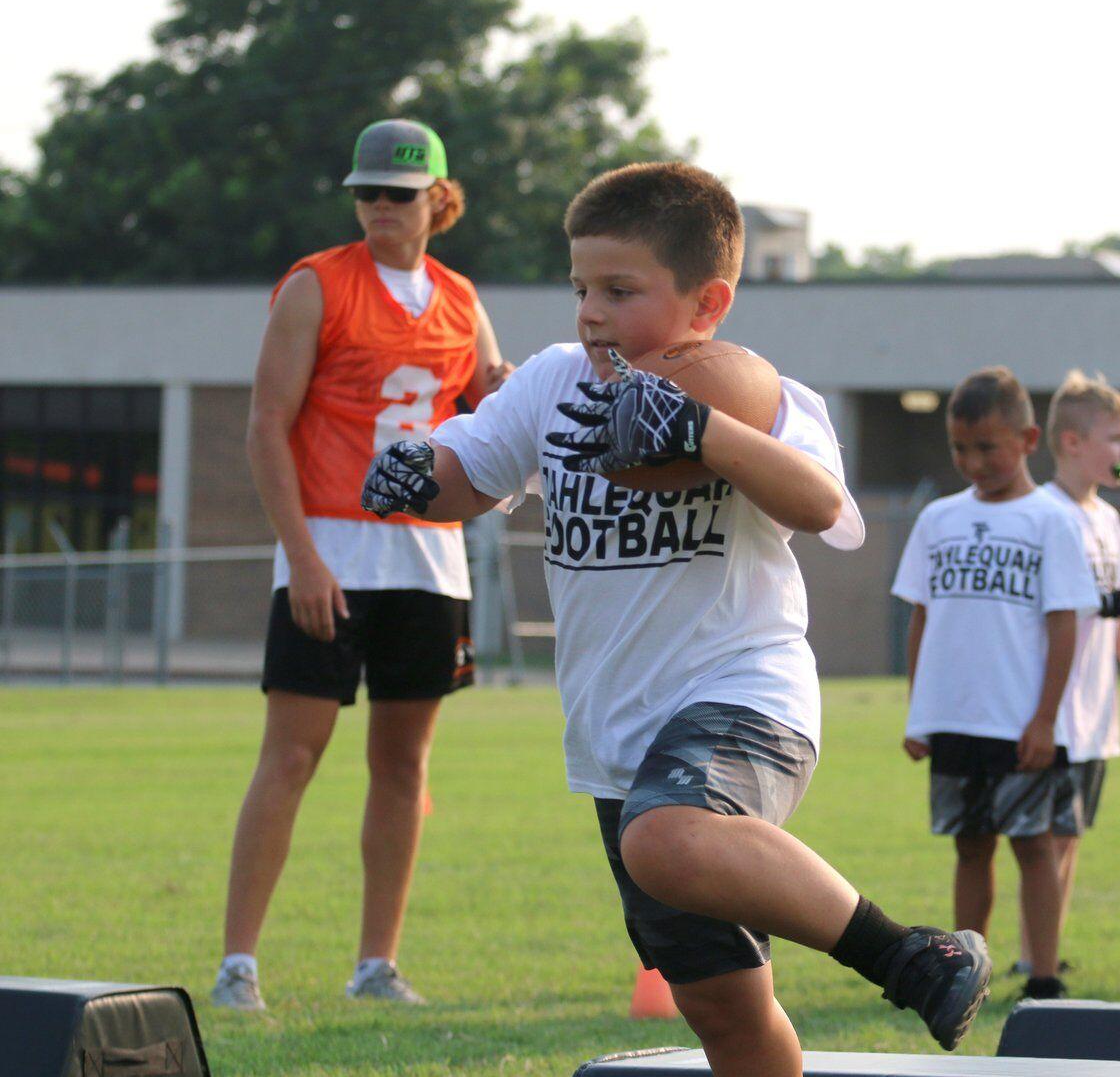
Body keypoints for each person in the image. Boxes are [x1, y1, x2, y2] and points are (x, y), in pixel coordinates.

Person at [362, 162, 992, 1077]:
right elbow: (470, 470)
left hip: (742, 696)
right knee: (726, 1013)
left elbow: (821, 503)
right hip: (618, 739)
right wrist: (419, 473)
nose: (591, 312)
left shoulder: (756, 391)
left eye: (621, 291)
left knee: (662, 837)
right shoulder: (550, 383)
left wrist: (704, 431)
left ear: (709, 302)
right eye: (580, 288)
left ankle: (909, 954)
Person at [212, 119, 512, 1011]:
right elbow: (266, 426)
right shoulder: (317, 283)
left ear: (438, 200)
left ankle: (376, 963)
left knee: (405, 765)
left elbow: (493, 416)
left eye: (398, 193)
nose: (379, 205)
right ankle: (238, 964)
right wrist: (301, 556)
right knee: (290, 756)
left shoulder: (460, 298)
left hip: (430, 559)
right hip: (332, 549)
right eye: (367, 192)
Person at [891, 367, 1100, 1002]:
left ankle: (1043, 976)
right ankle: (967, 974)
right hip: (956, 718)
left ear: (1028, 440)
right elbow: (921, 617)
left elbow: (1064, 625)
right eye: (960, 448)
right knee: (970, 846)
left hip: (1020, 723)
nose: (973, 462)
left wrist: (1045, 719)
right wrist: (919, 713)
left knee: (1034, 847)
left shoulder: (1052, 521)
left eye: (988, 447)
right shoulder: (938, 519)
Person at [1006, 370, 1120, 978]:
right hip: (1054, 708)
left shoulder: (1106, 518)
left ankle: (1043, 950)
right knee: (1045, 838)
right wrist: (1104, 604)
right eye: (1116, 439)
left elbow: (1118, 614)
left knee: (1069, 836)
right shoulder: (1043, 514)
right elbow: (1053, 609)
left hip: (1095, 710)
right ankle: (1032, 958)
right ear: (1072, 443)